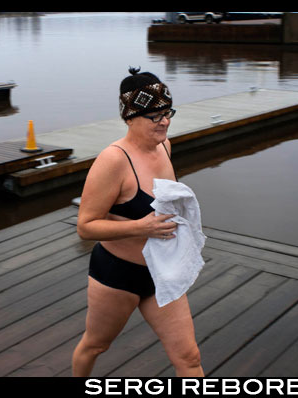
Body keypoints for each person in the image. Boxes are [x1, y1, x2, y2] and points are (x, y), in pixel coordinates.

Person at [72, 67, 204, 377]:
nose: (165, 121)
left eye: (167, 112)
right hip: (118, 275)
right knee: (95, 345)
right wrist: (140, 228)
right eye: (155, 116)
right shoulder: (113, 160)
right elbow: (86, 226)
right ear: (130, 117)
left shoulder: (164, 147)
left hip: (162, 273)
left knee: (189, 357)